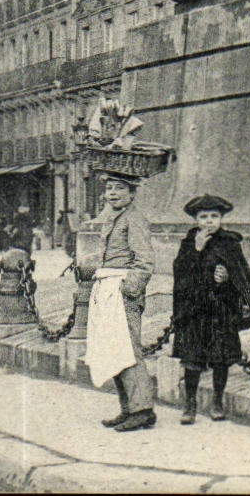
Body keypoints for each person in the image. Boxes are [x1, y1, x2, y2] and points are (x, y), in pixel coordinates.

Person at [171, 194, 250, 425]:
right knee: (192, 361)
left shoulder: (229, 243)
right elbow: (181, 275)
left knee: (220, 359)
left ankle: (217, 401)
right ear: (196, 219)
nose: (209, 221)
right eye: (204, 217)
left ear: (221, 218)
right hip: (195, 312)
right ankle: (190, 404)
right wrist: (197, 250)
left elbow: (242, 275)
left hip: (221, 311)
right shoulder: (189, 242)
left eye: (214, 216)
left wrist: (227, 277)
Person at [89, 171, 157, 432]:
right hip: (108, 290)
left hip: (121, 291)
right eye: (109, 189)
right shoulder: (113, 219)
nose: (113, 194)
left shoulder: (135, 220)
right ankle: (128, 408)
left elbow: (145, 261)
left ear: (132, 193)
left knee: (128, 349)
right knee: (114, 350)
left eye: (119, 189)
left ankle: (143, 410)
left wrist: (129, 289)